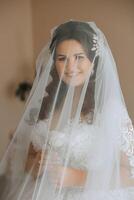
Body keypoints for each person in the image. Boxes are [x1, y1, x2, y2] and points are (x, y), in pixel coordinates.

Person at [0, 20, 134, 200]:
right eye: (62, 58)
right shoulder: (46, 105)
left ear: (93, 62)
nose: (70, 67)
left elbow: (130, 173)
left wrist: (77, 178)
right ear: (54, 62)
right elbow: (29, 159)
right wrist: (37, 164)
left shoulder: (110, 110)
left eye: (79, 57)